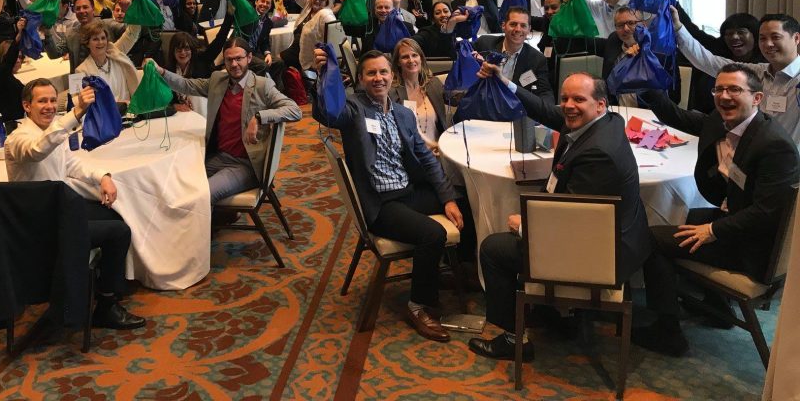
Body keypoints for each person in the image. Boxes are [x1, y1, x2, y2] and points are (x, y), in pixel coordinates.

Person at [468, 68, 650, 361]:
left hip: (603, 255)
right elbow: (544, 111)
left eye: (578, 99)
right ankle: (555, 311)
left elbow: (576, 226)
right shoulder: (604, 122)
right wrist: (504, 81)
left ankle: (514, 340)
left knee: (493, 249)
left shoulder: (598, 154)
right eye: (564, 98)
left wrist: (525, 227)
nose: (567, 106)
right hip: (615, 233)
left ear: (599, 103)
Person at [635, 64, 800, 356]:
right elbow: (682, 118)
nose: (725, 96)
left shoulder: (774, 146)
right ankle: (715, 306)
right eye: (719, 89)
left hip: (757, 247)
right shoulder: (722, 121)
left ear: (757, 98)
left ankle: (668, 332)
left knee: (651, 239)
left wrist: (713, 231)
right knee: (692, 216)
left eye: (735, 89)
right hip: (736, 219)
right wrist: (648, 87)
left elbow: (767, 213)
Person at [312, 47, 463, 342]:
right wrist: (324, 77)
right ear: (361, 78)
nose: (378, 78)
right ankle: (418, 305)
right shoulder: (354, 109)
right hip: (381, 204)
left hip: (406, 191)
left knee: (463, 202)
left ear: (392, 76)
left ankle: (444, 271)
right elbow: (328, 112)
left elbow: (427, 159)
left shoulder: (403, 114)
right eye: (371, 73)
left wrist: (447, 198)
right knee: (432, 234)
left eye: (383, 72)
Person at [5, 80, 146, 329]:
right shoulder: (18, 139)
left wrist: (103, 176)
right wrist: (75, 113)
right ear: (26, 106)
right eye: (42, 101)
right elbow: (38, 150)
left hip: (60, 212)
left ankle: (98, 289)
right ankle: (105, 305)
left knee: (113, 214)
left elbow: (71, 164)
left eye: (51, 100)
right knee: (119, 232)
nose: (49, 106)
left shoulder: (51, 131)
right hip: (42, 225)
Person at [150, 37, 302, 202]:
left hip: (246, 164)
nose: (234, 64)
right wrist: (162, 72)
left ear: (249, 58)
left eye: (239, 58)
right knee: (172, 181)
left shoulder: (262, 86)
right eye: (229, 60)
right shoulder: (218, 81)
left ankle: (208, 224)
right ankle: (214, 219)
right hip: (218, 157)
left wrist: (259, 117)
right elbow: (187, 85)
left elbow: (294, 110)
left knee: (201, 195)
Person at [672, 9, 800, 143]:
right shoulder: (756, 72)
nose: (768, 44)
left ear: (796, 38)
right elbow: (708, 62)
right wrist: (677, 28)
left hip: (791, 160)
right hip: (753, 153)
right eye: (763, 38)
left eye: (775, 37)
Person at [675, 7, 762, 113]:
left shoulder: (763, 67)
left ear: (755, 36)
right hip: (705, 115)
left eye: (741, 32)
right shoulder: (717, 52)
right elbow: (693, 32)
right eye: (729, 33)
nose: (734, 37)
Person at [471, 6, 554, 105]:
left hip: (516, 109)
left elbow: (545, 92)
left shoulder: (537, 59)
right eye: (513, 24)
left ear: (529, 30)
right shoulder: (484, 44)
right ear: (503, 26)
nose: (518, 29)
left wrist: (545, 114)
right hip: (484, 105)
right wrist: (471, 60)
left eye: (523, 26)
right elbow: (456, 52)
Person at [76, 20, 142, 104]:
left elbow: (133, 33)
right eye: (95, 39)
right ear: (87, 43)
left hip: (130, 113)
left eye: (103, 38)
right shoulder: (79, 71)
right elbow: (74, 101)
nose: (100, 42)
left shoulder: (116, 53)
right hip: (103, 116)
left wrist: (134, 11)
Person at [64, 0, 124, 72]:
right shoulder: (71, 33)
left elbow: (132, 31)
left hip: (107, 76)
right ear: (74, 11)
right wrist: (47, 31)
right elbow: (54, 54)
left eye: (85, 7)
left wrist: (127, 9)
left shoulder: (108, 25)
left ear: (93, 8)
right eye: (78, 8)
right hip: (79, 79)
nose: (82, 11)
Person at [0, 19, 28, 122]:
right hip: (5, 127)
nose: (18, 61)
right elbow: (7, 64)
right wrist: (17, 38)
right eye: (14, 57)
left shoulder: (7, 76)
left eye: (20, 57)